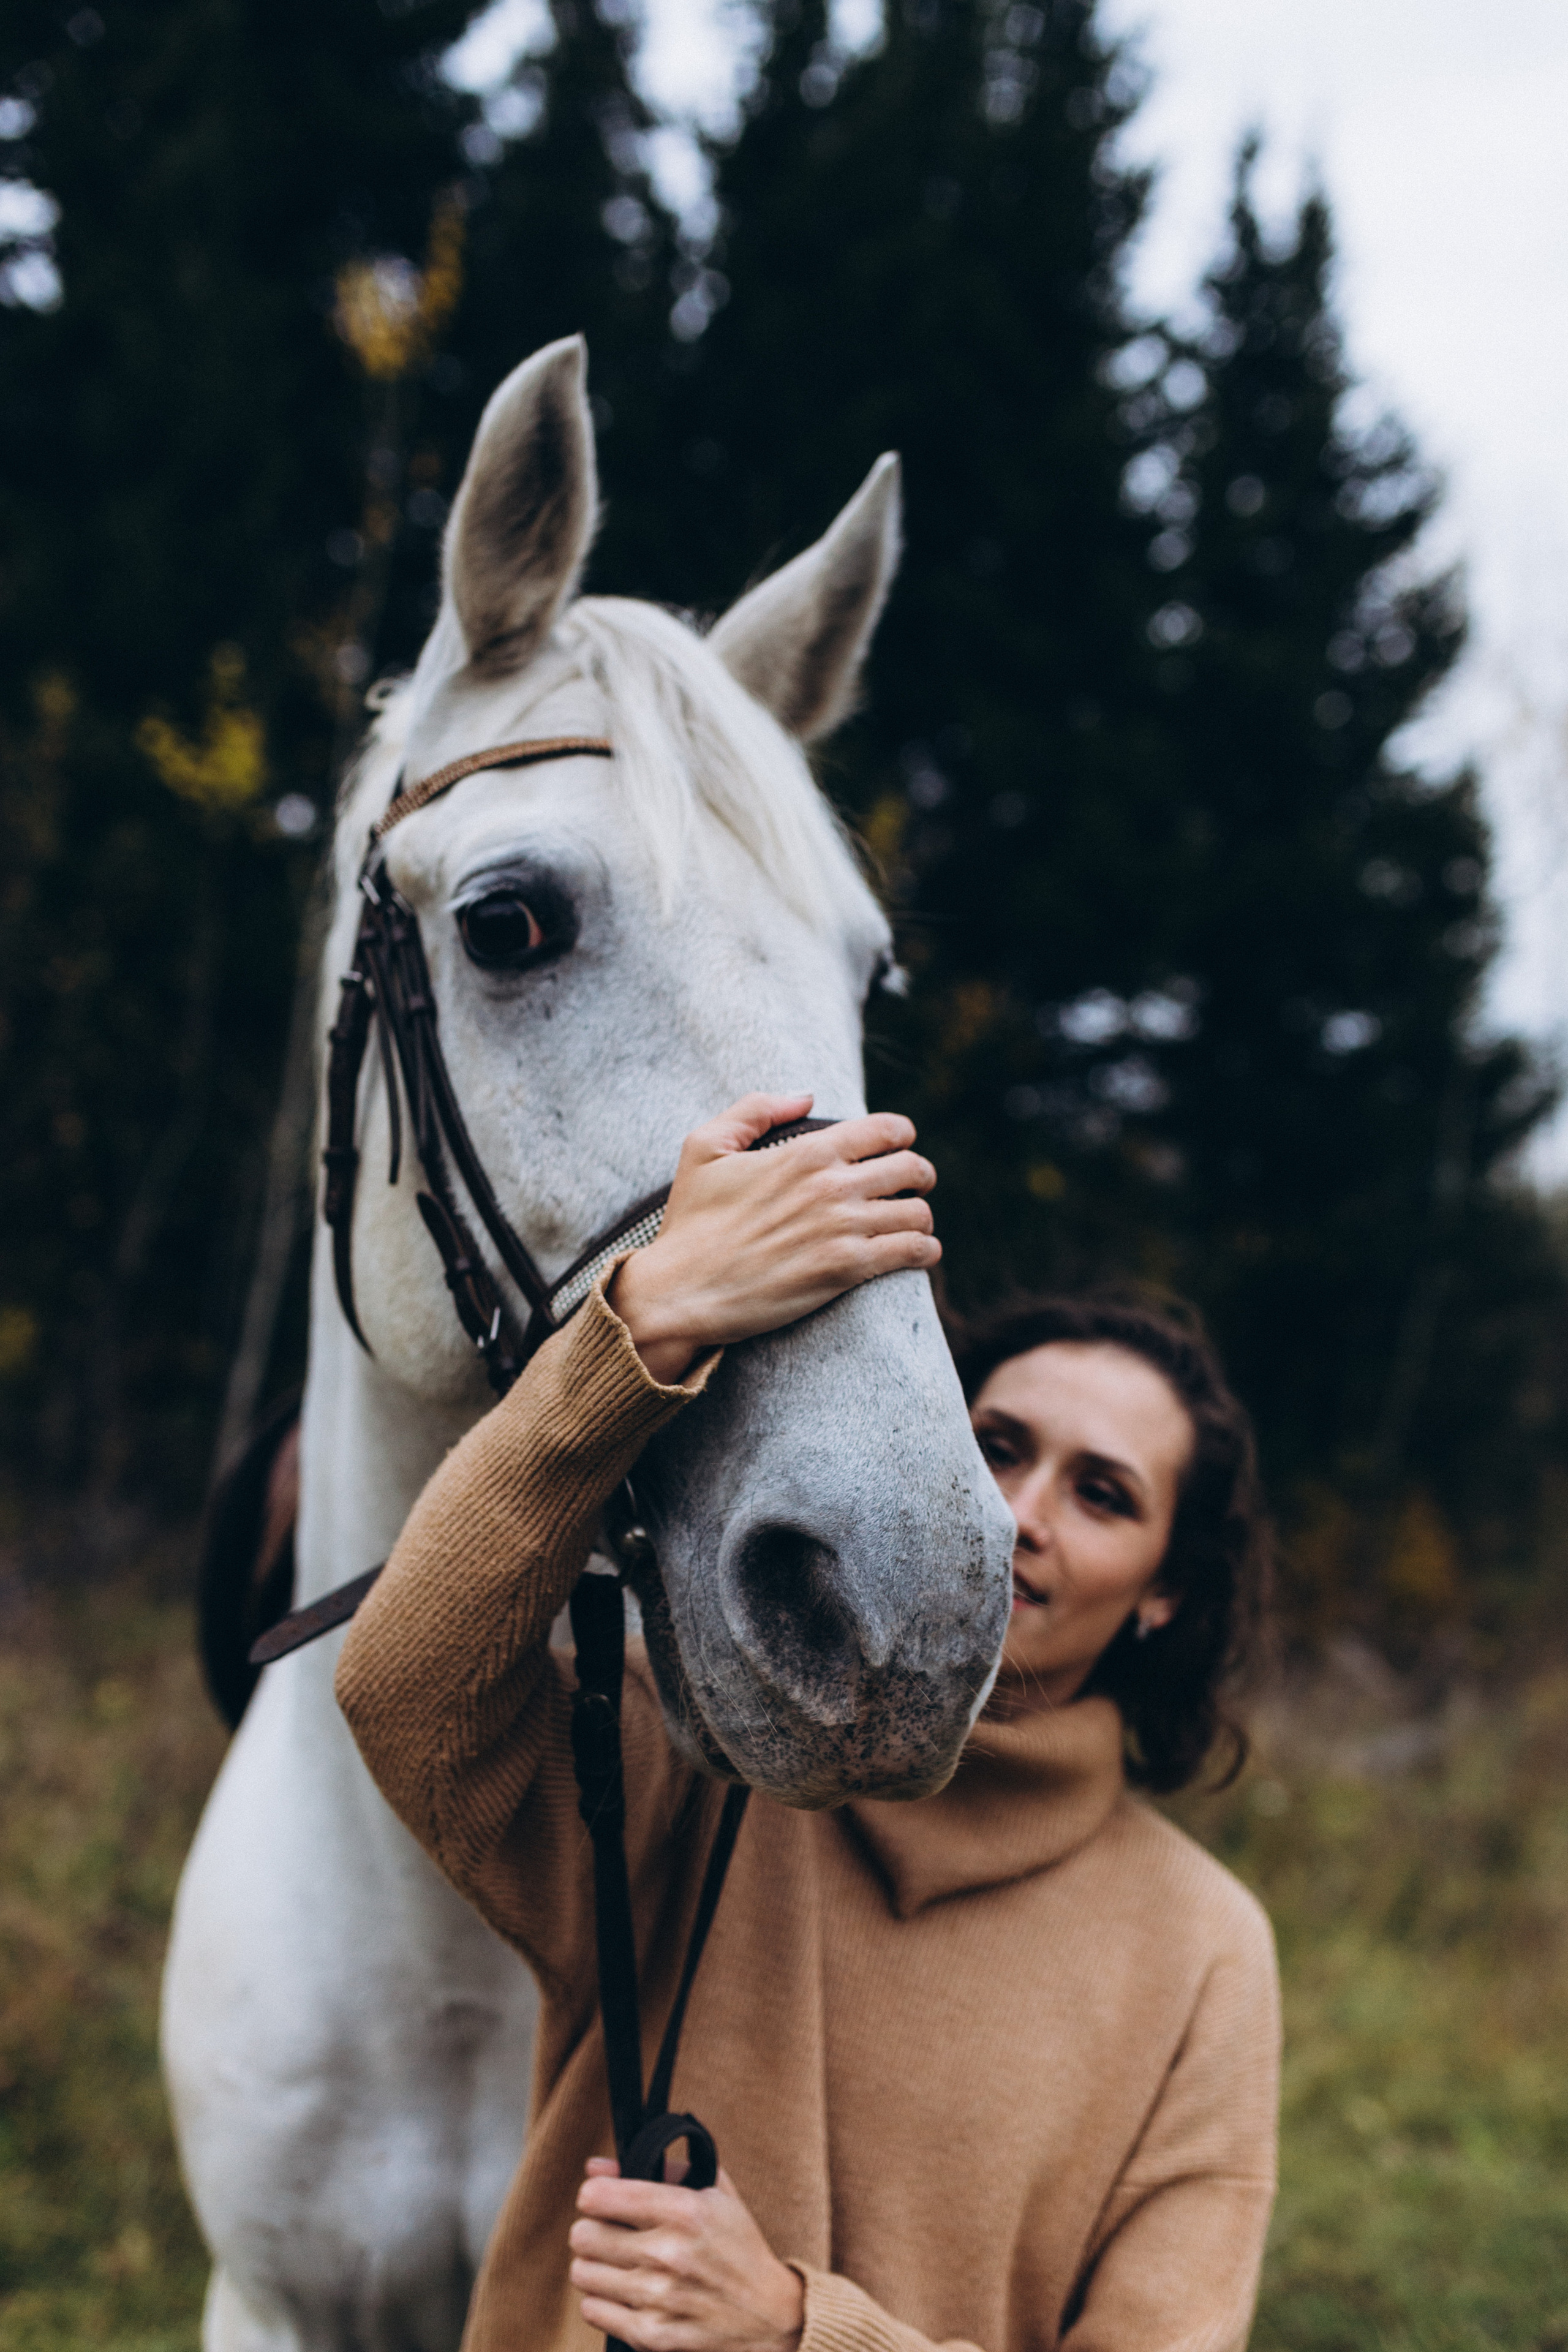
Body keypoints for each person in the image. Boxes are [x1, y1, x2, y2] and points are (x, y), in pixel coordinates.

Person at [336, 1095, 1280, 2352]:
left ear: (1164, 1591)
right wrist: (646, 1327)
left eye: (1100, 1494)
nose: (1020, 1515)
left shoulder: (1203, 1949)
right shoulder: (709, 1769)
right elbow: (408, 1689)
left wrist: (794, 2330)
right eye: (996, 1447)